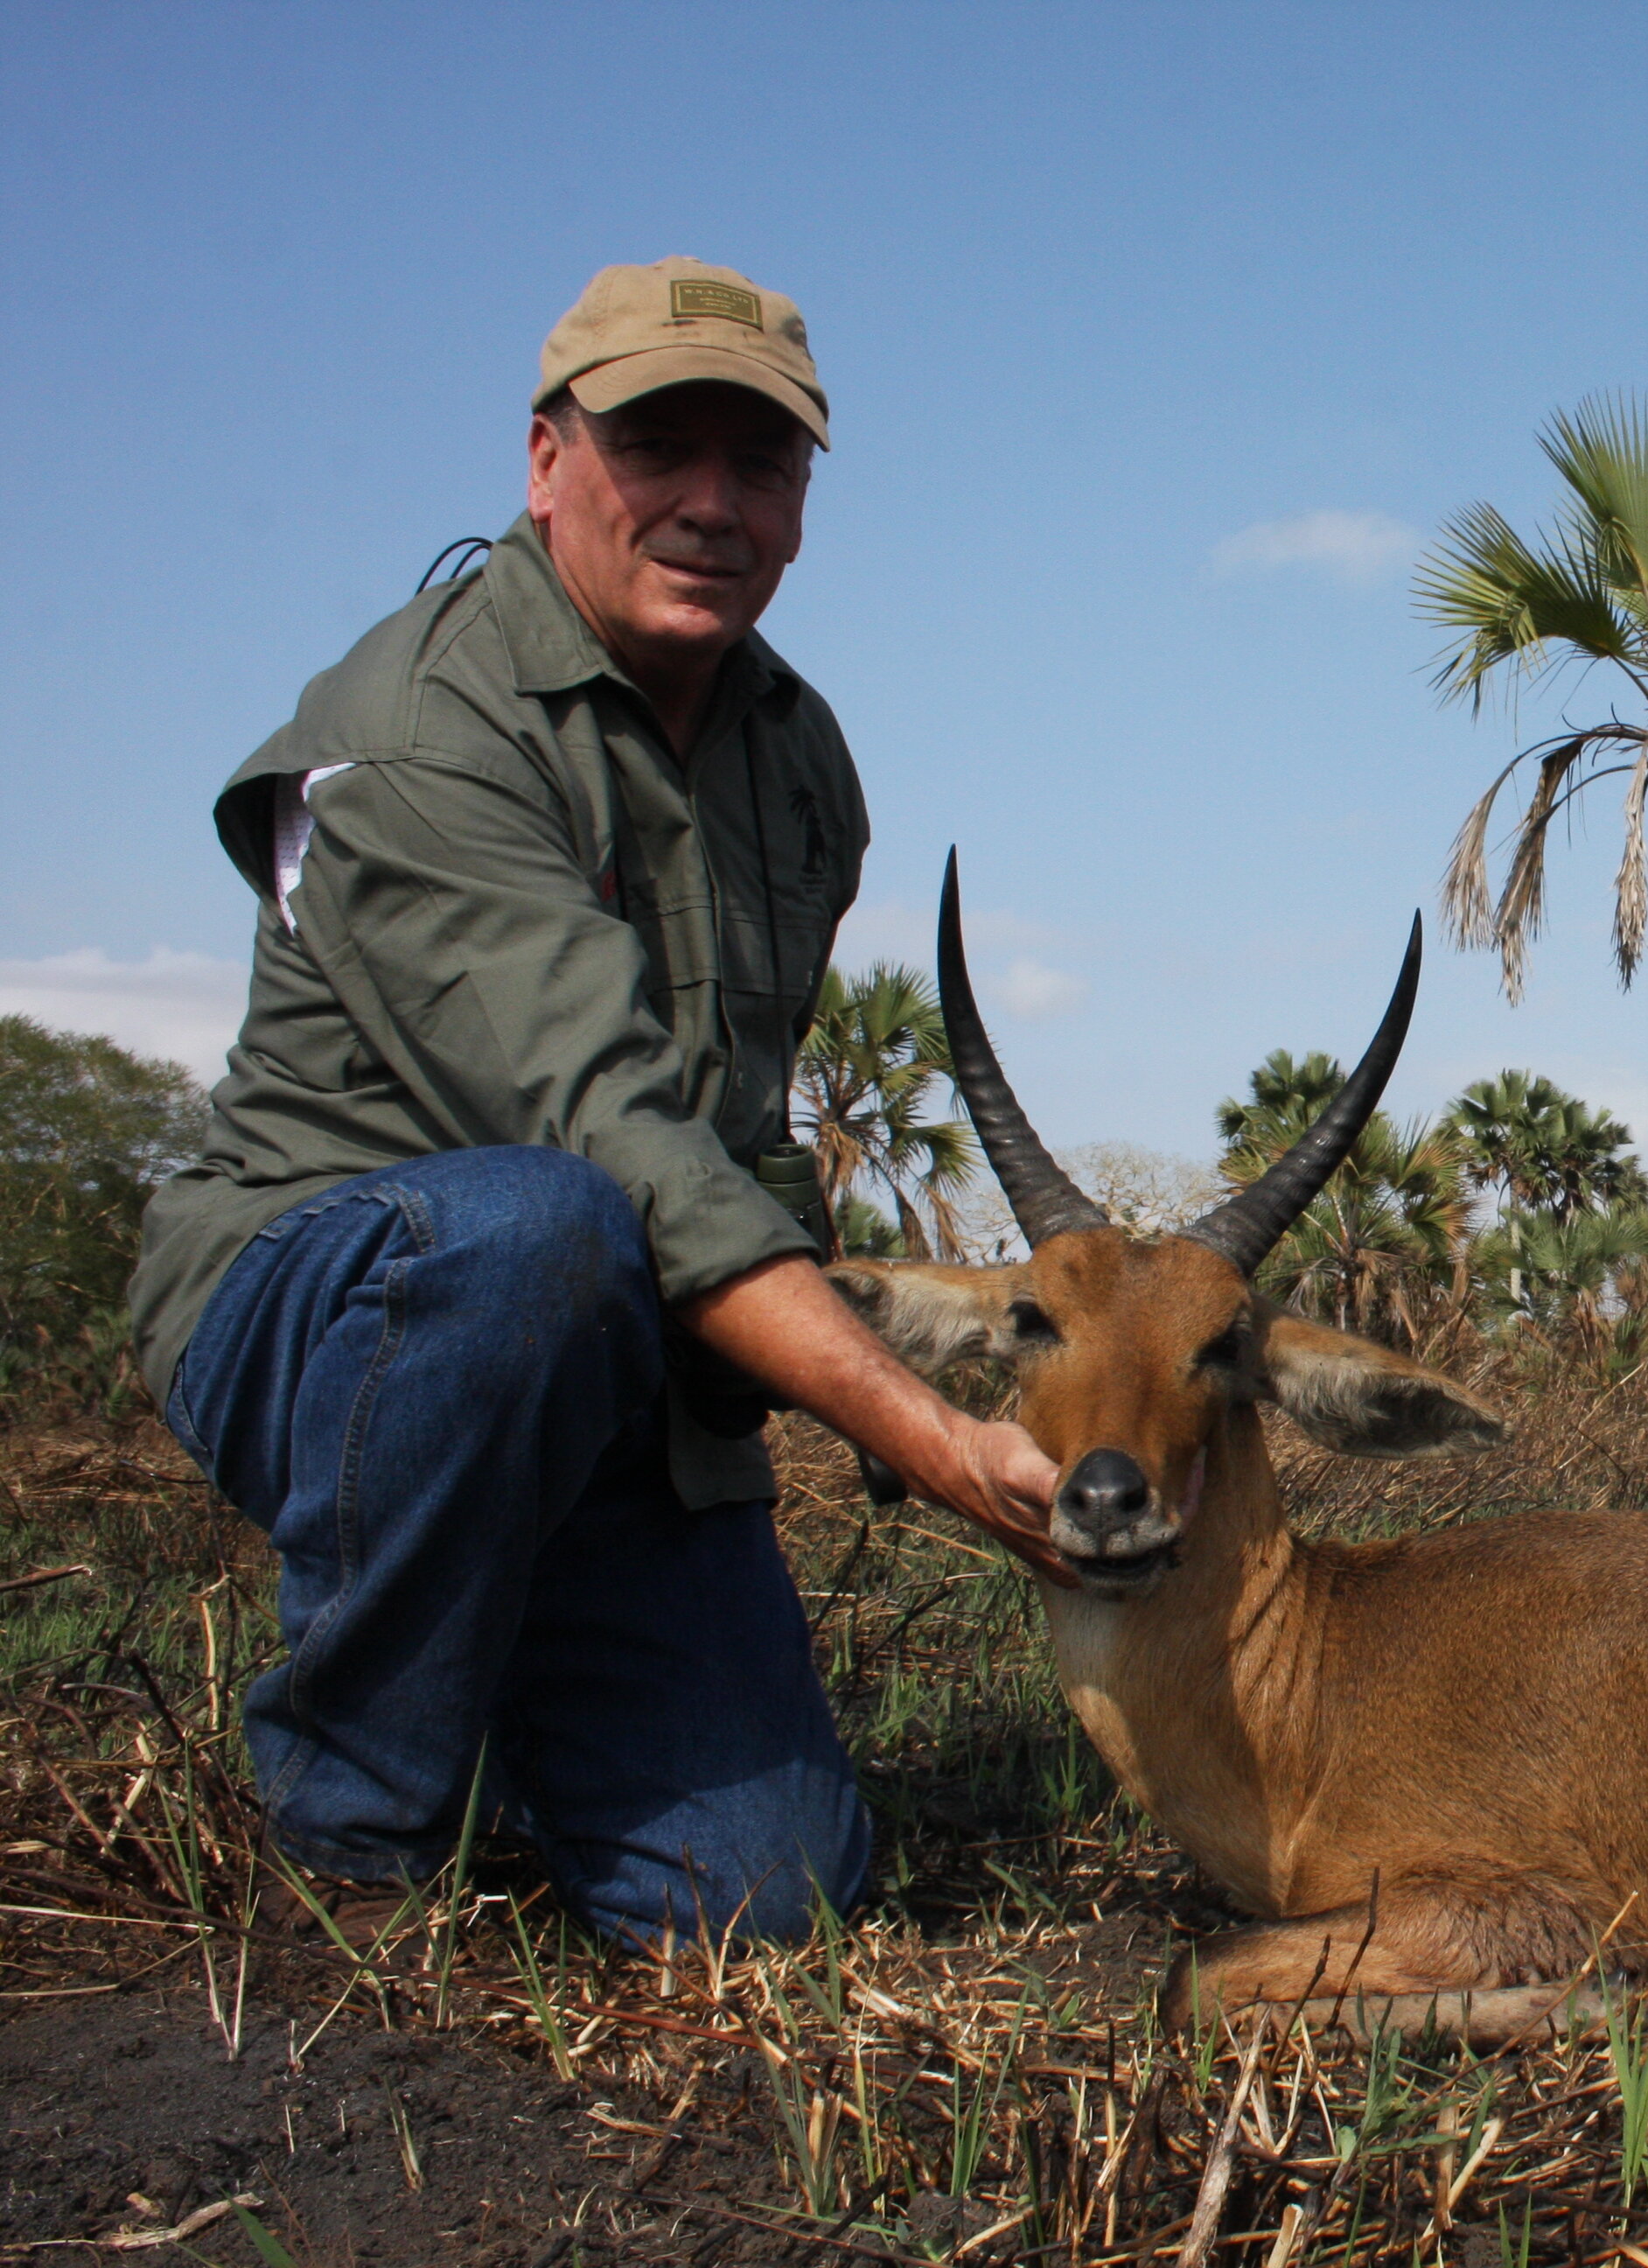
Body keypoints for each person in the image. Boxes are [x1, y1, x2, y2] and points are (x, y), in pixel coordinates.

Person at [130, 257, 1069, 1951]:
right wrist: (926, 1444)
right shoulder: (424, 727)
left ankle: (487, 1679)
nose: (713, 504)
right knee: (533, 1237)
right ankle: (347, 1833)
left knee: (768, 1903)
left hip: (611, 1350)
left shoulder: (802, 761)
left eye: (763, 463)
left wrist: (974, 1361)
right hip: (348, 1305)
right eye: (659, 448)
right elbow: (625, 1152)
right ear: (546, 459)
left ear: (804, 500)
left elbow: (743, 1143)